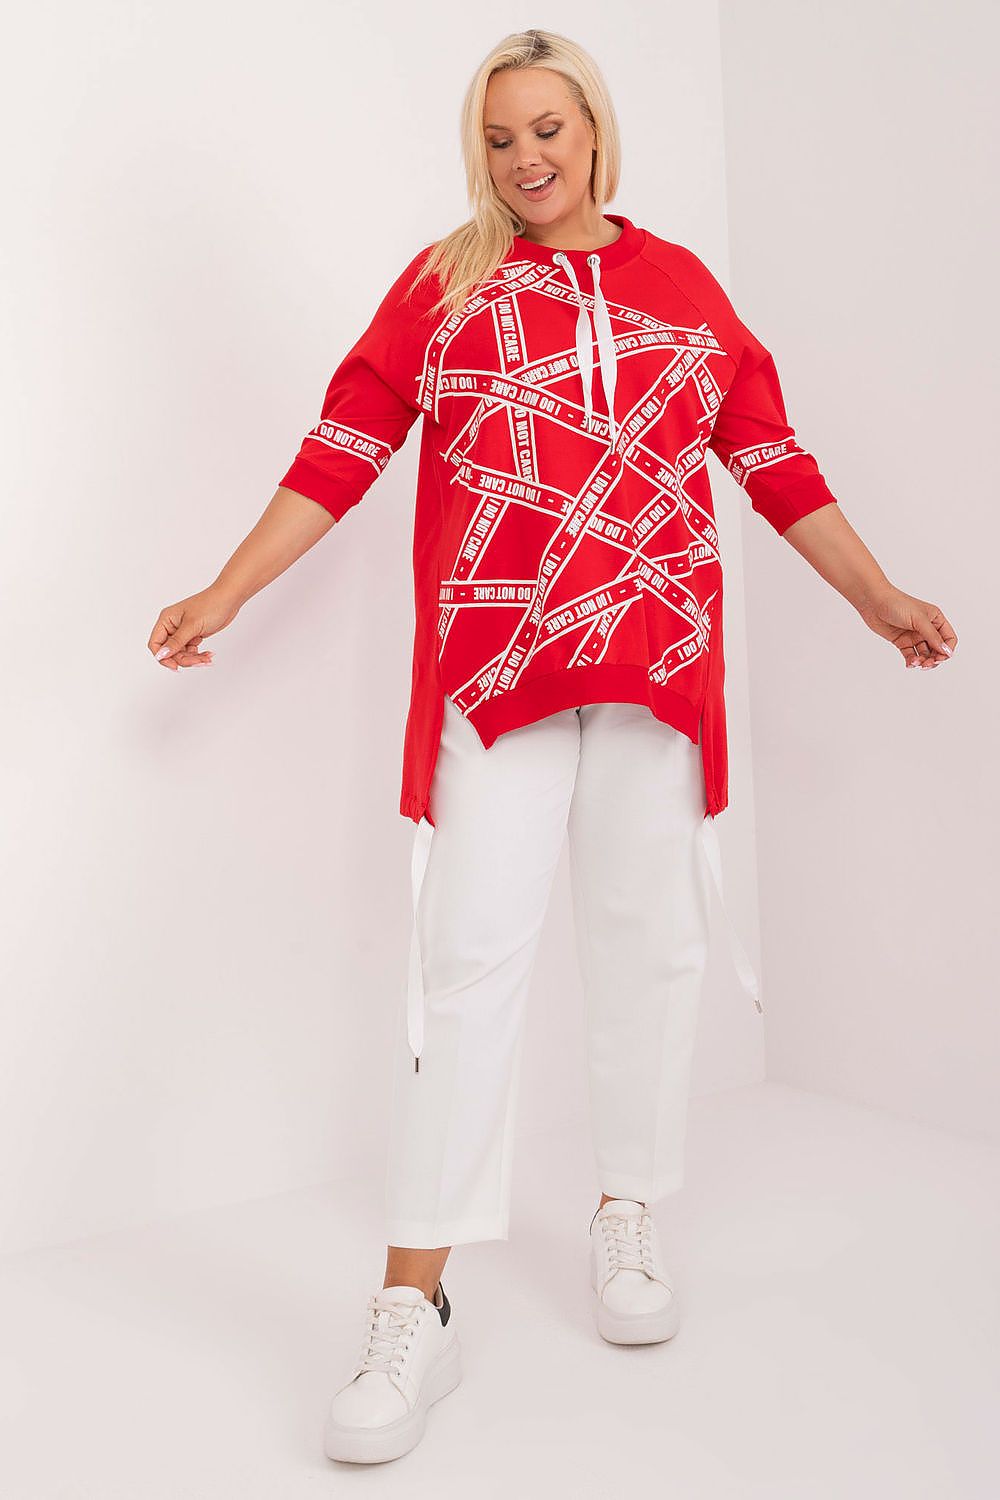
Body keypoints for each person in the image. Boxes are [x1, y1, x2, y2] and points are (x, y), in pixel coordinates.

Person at [147, 27, 957, 1468]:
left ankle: (625, 1209)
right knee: (468, 967)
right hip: (497, 676)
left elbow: (772, 459)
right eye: (501, 136)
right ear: (481, 150)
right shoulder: (444, 287)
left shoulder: (682, 288)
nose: (527, 158)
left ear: (594, 131)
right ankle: (417, 1300)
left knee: (651, 949)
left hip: (657, 666)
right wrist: (226, 589)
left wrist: (877, 596)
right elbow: (342, 449)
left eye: (548, 129)